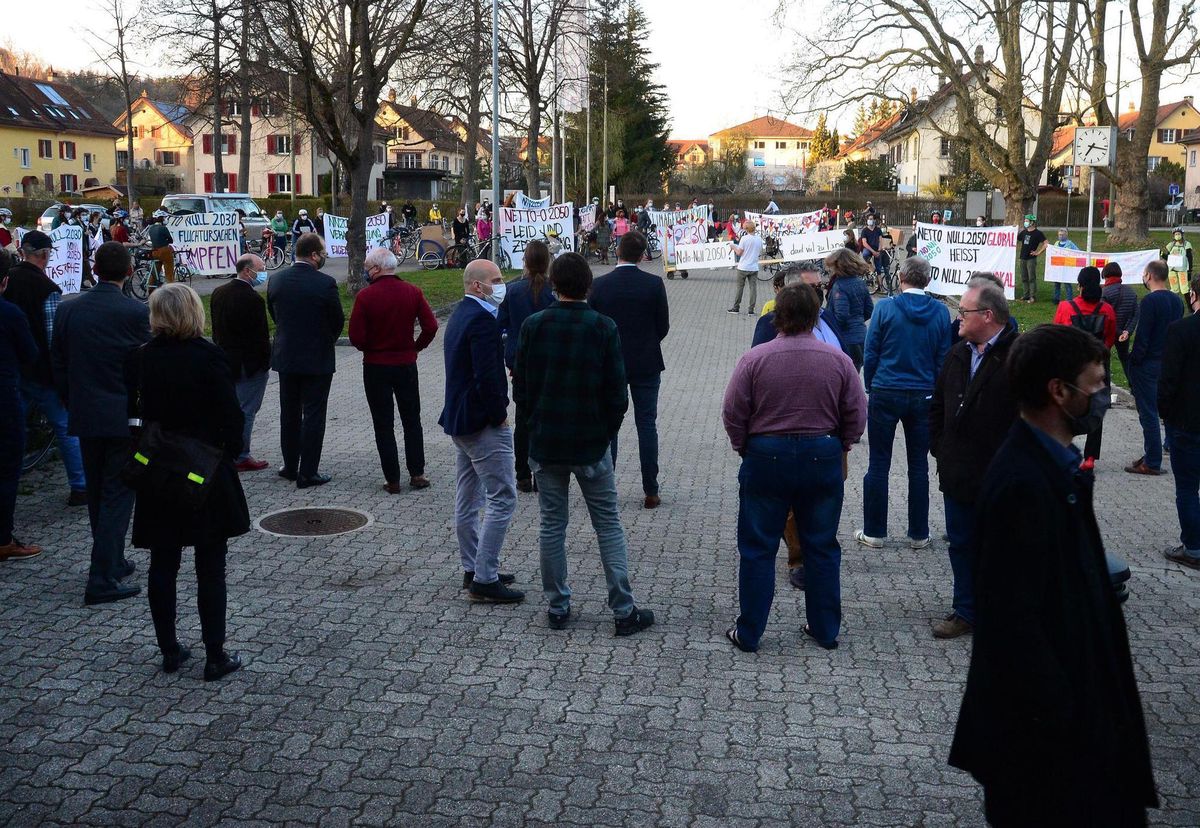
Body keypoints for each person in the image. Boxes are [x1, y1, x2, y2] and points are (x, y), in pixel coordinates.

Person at [949, 324, 1158, 826]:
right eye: (1096, 383)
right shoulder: (1024, 482)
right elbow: (1012, 623)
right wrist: (1072, 719)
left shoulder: (1057, 468)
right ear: (1058, 391)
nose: (1104, 394)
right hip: (1049, 747)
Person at [512, 252, 655, 636]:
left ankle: (558, 606)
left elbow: (521, 389)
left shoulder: (533, 325)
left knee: (552, 526)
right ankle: (623, 611)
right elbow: (617, 394)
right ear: (588, 284)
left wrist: (533, 424)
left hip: (547, 443)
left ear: (554, 284)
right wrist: (605, 433)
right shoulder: (603, 327)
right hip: (591, 444)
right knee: (608, 526)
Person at [722, 282, 867, 652]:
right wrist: (842, 445)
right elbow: (856, 412)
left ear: (777, 317)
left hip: (766, 456)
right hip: (822, 454)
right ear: (817, 316)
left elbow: (734, 412)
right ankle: (824, 629)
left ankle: (750, 631)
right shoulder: (838, 361)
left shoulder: (755, 359)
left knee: (758, 547)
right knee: (821, 546)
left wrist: (746, 448)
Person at [125, 283, 248, 681]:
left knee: (163, 561)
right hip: (204, 470)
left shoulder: (141, 358)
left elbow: (134, 415)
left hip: (159, 471)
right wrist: (226, 452)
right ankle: (216, 654)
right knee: (210, 566)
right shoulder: (210, 357)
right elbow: (232, 417)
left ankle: (169, 649)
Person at [50, 241, 150, 604]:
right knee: (117, 498)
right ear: (129, 272)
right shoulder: (135, 312)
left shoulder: (68, 310)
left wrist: (70, 396)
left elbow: (58, 361)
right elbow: (145, 365)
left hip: (85, 413)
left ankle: (112, 560)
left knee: (98, 495)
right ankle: (102, 577)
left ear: (94, 269)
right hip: (122, 417)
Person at [929, 280, 1019, 639]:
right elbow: (937, 407)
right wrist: (941, 447)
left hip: (1001, 475)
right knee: (962, 542)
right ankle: (965, 609)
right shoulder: (958, 353)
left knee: (1001, 546)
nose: (958, 317)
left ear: (988, 315)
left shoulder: (1017, 357)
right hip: (959, 474)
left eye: (964, 311)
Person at [439, 258, 524, 603]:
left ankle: (474, 566)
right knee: (503, 497)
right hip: (480, 422)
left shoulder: (462, 314)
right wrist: (499, 414)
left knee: (468, 497)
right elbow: (488, 376)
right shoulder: (481, 322)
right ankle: (484, 578)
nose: (501, 285)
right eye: (497, 279)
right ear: (478, 285)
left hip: (460, 419)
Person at [857, 255, 951, 550]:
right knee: (918, 465)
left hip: (886, 389)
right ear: (928, 279)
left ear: (901, 278)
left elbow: (871, 351)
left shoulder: (885, 307)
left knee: (878, 463)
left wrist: (870, 384)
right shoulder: (940, 312)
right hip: (923, 393)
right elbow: (942, 358)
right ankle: (919, 533)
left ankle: (874, 531)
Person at [4, 230, 88, 505]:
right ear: (45, 255)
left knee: (13, 422)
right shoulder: (47, 288)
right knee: (65, 427)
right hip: (40, 369)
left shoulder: (9, 279)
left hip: (14, 366)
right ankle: (80, 485)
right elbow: (52, 337)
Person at [589, 231, 671, 509]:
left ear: (618, 252)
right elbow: (663, 326)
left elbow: (593, 325)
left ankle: (606, 488)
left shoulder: (599, 285)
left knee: (609, 425)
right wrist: (646, 343)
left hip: (609, 364)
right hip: (647, 363)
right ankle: (651, 489)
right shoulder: (654, 284)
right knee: (646, 425)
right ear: (642, 256)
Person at [348, 247, 437, 493]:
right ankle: (417, 473)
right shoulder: (413, 292)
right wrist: (415, 347)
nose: (366, 272)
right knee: (412, 420)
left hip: (376, 366)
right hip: (406, 363)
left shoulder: (366, 297)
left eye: (367, 269)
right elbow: (430, 326)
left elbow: (355, 336)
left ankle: (392, 479)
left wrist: (368, 347)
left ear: (376, 269)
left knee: (383, 423)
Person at [268, 232, 344, 489]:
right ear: (314, 255)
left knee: (288, 412)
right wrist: (326, 340)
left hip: (286, 357)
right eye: (322, 253)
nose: (324, 257)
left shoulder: (276, 279)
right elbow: (337, 320)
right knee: (313, 415)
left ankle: (290, 466)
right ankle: (308, 471)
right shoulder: (325, 283)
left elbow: (275, 315)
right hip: (317, 358)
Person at [497, 239, 554, 492]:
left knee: (523, 419)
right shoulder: (554, 290)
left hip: (521, 363)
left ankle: (522, 474)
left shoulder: (513, 290)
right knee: (547, 418)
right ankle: (543, 472)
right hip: (551, 363)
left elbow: (500, 325)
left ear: (525, 262)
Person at [211, 254, 271, 472]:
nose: (263, 273)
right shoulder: (253, 299)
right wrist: (265, 362)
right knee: (246, 410)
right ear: (247, 271)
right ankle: (241, 454)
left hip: (226, 360)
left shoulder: (218, 293)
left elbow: (217, 330)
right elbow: (260, 336)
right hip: (249, 364)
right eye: (261, 268)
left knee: (230, 407)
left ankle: (228, 449)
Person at [1125, 259, 1184, 476]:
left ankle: (1152, 460)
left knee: (1148, 413)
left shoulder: (1149, 302)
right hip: (1168, 361)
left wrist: (1134, 359)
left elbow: (1144, 336)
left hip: (1148, 363)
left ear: (1149, 276)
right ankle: (1164, 449)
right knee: (1166, 410)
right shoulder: (1177, 301)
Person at [0, 249, 40, 560]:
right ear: (3, 283)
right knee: (7, 467)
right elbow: (30, 355)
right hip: (4, 397)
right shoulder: (10, 314)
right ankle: (3, 538)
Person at [1052, 267, 1116, 460]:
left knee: (1063, 407)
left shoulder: (1066, 307)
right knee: (1096, 410)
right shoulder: (1107, 309)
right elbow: (1110, 338)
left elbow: (1056, 335)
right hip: (1097, 366)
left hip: (1071, 365)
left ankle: (1063, 447)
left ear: (1079, 285)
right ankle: (1089, 458)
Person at [1159, 276, 1200, 570]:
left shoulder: (1182, 330)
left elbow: (1169, 379)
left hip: (1187, 421)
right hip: (1187, 419)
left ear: (1193, 295)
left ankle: (1194, 548)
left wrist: (1165, 412)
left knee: (1187, 488)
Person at [753, 265, 841, 350]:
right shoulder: (770, 323)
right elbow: (758, 360)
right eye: (811, 287)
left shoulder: (827, 316)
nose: (818, 291)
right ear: (792, 289)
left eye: (820, 285)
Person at [825, 247, 873, 370]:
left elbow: (842, 315)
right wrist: (858, 320)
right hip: (862, 336)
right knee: (855, 372)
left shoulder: (840, 286)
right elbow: (869, 309)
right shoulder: (860, 282)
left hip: (846, 339)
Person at [1102, 262, 1140, 383]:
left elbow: (1104, 315)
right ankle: (1134, 384)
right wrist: (1127, 331)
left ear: (1105, 275)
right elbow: (1135, 314)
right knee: (1125, 358)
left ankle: (1105, 386)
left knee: (1104, 360)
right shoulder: (1131, 292)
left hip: (1108, 332)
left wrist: (1117, 331)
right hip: (1124, 334)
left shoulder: (1104, 293)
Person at [727, 220, 763, 315]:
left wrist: (733, 246)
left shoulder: (744, 239)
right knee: (753, 288)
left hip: (743, 266)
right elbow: (760, 251)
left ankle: (736, 308)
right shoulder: (759, 239)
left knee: (740, 287)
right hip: (754, 267)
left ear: (746, 229)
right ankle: (751, 309)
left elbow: (739, 252)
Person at [1016, 214, 1046, 303]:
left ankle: (1032, 296)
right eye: (1025, 221)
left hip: (1031, 259)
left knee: (1031, 278)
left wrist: (1038, 252)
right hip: (1023, 257)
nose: (1025, 222)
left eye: (1027, 221)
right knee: (1024, 277)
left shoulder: (1038, 233)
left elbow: (1046, 243)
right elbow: (1015, 239)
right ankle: (1026, 295)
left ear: (1032, 222)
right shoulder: (1024, 232)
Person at [1161, 227, 1194, 295]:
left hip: (1182, 270)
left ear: (1182, 235)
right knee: (1174, 289)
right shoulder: (1171, 245)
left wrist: (1190, 270)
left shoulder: (1186, 244)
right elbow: (1168, 258)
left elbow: (1189, 257)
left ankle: (1190, 304)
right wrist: (1161, 254)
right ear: (1173, 236)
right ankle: (1174, 303)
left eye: (1179, 234)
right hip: (1172, 270)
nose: (1177, 235)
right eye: (1175, 234)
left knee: (1184, 289)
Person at [147, 210, 175, 286]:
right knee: (169, 270)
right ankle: (170, 286)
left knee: (155, 272)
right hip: (164, 251)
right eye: (164, 217)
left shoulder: (151, 228)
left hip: (154, 251)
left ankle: (151, 288)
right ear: (161, 218)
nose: (165, 219)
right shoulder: (163, 228)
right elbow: (170, 240)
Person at [1051, 229, 1079, 303]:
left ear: (1066, 235)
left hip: (1067, 267)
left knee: (1067, 283)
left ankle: (1069, 299)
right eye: (1059, 234)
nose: (1061, 236)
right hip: (1058, 267)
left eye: (1062, 234)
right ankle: (1056, 299)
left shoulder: (1070, 244)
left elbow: (1078, 251)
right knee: (1057, 284)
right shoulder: (1056, 243)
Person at [858, 213, 886, 281]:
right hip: (868, 248)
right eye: (869, 219)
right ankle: (870, 267)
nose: (870, 220)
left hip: (877, 249)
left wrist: (879, 250)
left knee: (879, 269)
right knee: (865, 254)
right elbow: (864, 243)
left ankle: (880, 286)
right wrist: (873, 252)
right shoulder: (864, 231)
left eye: (871, 219)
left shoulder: (878, 230)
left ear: (874, 220)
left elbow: (880, 240)